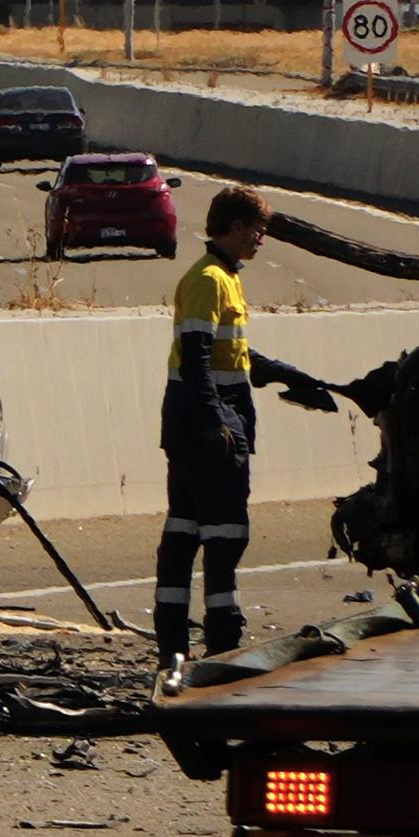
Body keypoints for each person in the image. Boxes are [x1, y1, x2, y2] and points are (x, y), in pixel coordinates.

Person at [161, 184, 344, 672]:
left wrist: (293, 376)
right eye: (258, 230)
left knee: (186, 532)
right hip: (209, 427)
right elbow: (198, 359)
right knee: (224, 535)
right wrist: (216, 421)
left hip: (197, 422)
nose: (261, 239)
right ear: (237, 226)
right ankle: (222, 645)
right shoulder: (209, 280)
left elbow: (235, 357)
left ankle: (175, 648)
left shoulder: (223, 277)